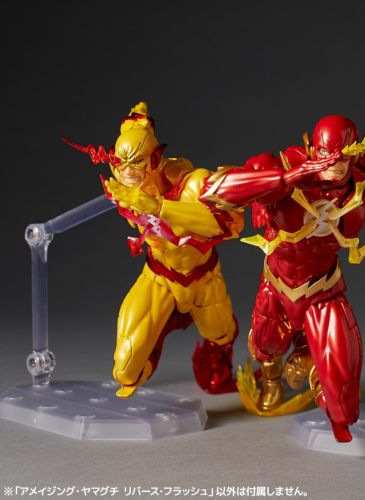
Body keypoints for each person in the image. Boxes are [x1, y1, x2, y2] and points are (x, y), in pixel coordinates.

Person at [201, 115, 365, 441]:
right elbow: (216, 192)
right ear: (312, 149)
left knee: (342, 390)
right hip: (278, 283)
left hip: (323, 287)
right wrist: (288, 178)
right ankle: (272, 380)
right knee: (264, 345)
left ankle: (319, 383)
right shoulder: (282, 167)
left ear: (354, 151)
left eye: (343, 156)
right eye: (326, 155)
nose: (335, 164)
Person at [66, 102, 244, 398]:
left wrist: (158, 206)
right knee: (125, 371)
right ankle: (155, 338)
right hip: (160, 276)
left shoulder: (190, 182)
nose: (127, 173)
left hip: (203, 276)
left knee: (221, 333)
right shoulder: (123, 185)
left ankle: (218, 369)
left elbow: (221, 224)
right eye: (120, 165)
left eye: (135, 164)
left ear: (155, 159)